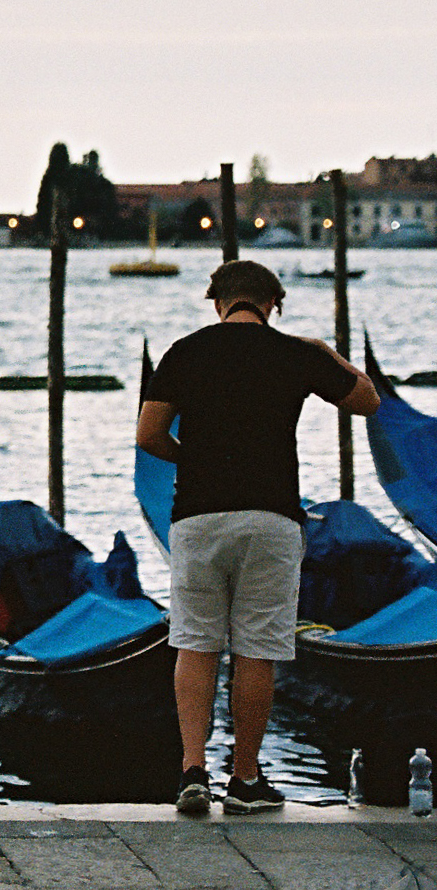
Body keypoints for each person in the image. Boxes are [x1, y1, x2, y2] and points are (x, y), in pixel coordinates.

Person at [137, 258, 378, 816]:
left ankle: (191, 772)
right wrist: (326, 351)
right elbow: (368, 400)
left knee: (195, 642)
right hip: (271, 519)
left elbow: (149, 434)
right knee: (257, 650)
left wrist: (191, 460)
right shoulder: (295, 353)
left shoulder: (186, 350)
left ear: (217, 301)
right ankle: (245, 781)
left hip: (198, 517)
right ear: (273, 304)